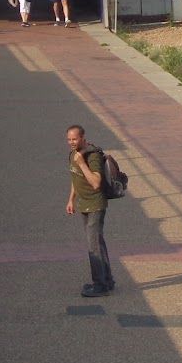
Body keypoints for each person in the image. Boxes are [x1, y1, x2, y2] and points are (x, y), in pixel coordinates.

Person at [65, 124, 114, 297]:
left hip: (95, 205)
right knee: (98, 243)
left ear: (83, 138)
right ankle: (108, 280)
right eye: (69, 139)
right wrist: (71, 199)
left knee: (93, 246)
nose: (71, 142)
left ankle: (99, 285)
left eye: (75, 139)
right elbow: (75, 177)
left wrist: (81, 162)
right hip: (83, 204)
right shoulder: (73, 154)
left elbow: (95, 182)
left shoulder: (91, 156)